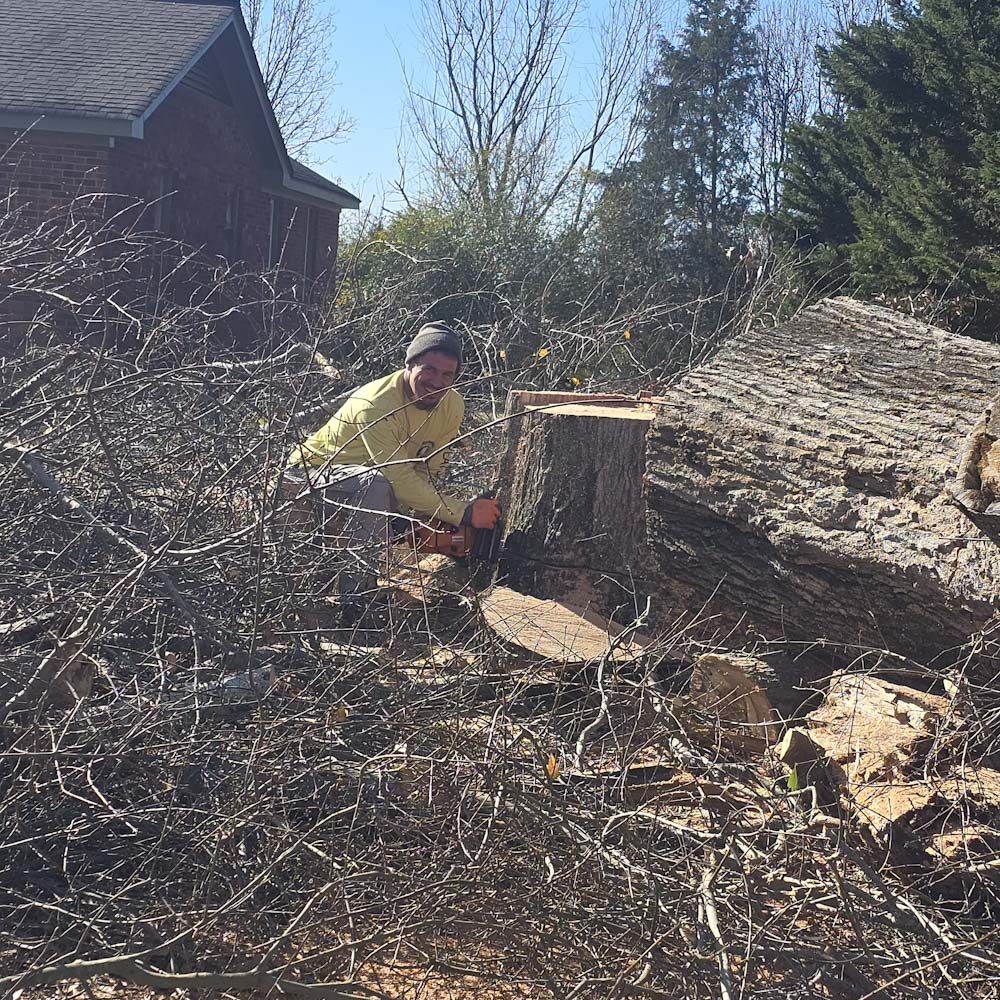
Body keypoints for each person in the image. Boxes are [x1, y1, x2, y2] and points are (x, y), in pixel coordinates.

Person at [283, 321, 501, 624]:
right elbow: (397, 478)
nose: (437, 381)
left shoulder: (453, 405)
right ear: (409, 364)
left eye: (447, 374)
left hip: (365, 485)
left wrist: (420, 519)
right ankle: (356, 604)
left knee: (381, 489)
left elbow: (429, 468)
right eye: (429, 370)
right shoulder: (376, 404)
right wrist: (463, 514)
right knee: (375, 483)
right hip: (306, 477)